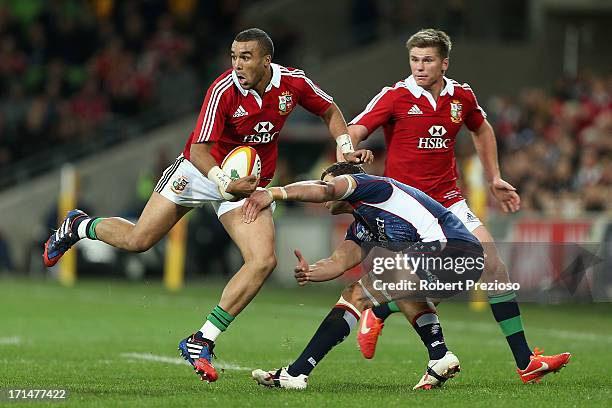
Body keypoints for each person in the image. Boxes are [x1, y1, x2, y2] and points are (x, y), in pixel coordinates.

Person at [42, 28, 372, 383]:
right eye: (233, 56)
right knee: (139, 240)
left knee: (263, 260)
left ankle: (202, 340)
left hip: (249, 184)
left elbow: (329, 109)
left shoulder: (292, 83)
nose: (237, 64)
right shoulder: (223, 90)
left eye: (245, 57)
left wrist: (344, 143)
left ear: (266, 60)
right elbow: (200, 149)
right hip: (201, 173)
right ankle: (78, 226)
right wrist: (223, 182)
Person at [344, 28, 570, 383]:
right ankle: (381, 308)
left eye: (428, 60)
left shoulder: (461, 96)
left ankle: (525, 362)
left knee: (492, 265)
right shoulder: (395, 96)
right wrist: (350, 148)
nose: (420, 67)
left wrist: (494, 177)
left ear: (444, 63)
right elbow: (355, 128)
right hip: (405, 206)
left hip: (448, 199)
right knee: (429, 284)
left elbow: (482, 130)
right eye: (415, 60)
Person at [243, 162, 485, 389]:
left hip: (450, 251)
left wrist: (274, 192)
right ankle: (439, 356)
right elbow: (339, 263)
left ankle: (296, 373)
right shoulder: (362, 224)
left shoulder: (372, 186)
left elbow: (327, 191)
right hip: (463, 263)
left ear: (346, 181)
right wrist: (311, 272)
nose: (324, 195)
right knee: (405, 295)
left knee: (355, 295)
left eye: (325, 182)